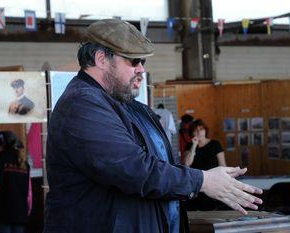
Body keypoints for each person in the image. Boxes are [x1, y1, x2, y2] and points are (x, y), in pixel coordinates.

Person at [44, 19, 262, 233]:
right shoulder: (82, 105)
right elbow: (132, 169)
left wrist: (202, 181)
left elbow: (160, 165)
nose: (141, 69)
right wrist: (202, 180)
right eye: (133, 60)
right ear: (101, 59)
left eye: (143, 62)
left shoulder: (129, 106)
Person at [0, 130, 32, 233]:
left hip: (0, 215)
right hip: (20, 214)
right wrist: (26, 210)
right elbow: (29, 193)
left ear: (1, 145)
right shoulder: (24, 164)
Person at [184, 119, 226, 210]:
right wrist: (194, 145)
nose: (199, 132)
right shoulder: (189, 146)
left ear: (205, 130)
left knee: (210, 208)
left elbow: (223, 165)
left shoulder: (215, 144)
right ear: (192, 133)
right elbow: (187, 164)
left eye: (201, 129)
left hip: (213, 181)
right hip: (196, 183)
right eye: (196, 130)